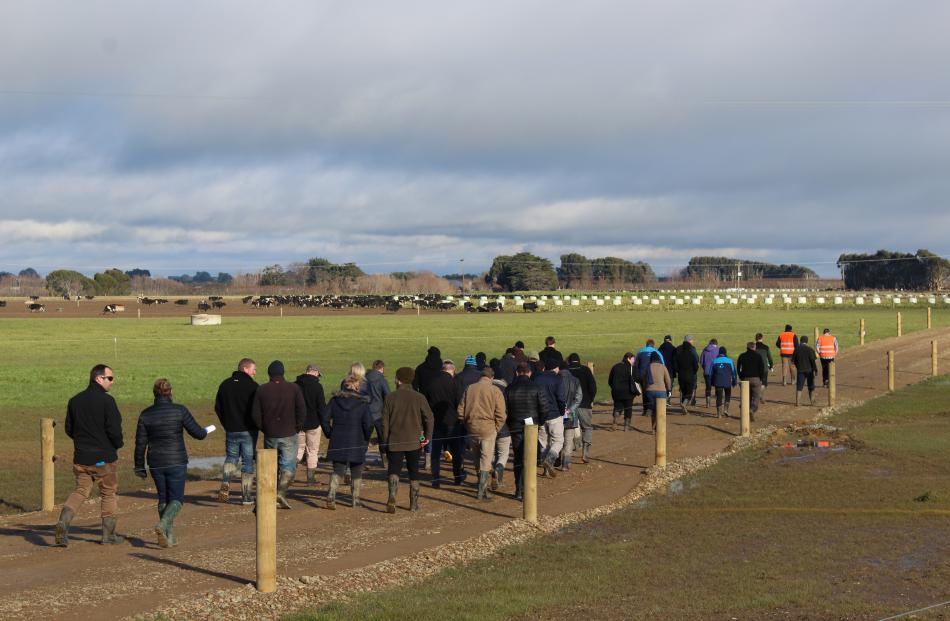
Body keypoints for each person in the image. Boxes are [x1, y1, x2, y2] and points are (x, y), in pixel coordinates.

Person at [56, 364, 125, 546]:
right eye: (109, 378)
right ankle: (108, 535)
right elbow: (115, 430)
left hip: (81, 457)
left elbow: (69, 429)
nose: (112, 381)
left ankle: (63, 524)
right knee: (108, 493)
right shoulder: (107, 401)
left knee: (80, 491)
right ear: (98, 378)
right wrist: (117, 445)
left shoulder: (75, 400)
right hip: (103, 458)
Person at [134, 379, 208, 547]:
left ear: (154, 393)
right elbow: (198, 433)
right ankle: (163, 525)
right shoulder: (179, 410)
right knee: (176, 500)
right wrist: (205, 431)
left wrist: (139, 465)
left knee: (163, 498)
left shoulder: (146, 414)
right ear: (170, 392)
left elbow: (140, 443)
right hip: (176, 461)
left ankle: (169, 536)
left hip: (155, 462)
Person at [251, 360, 306, 509]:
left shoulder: (261, 390)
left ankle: (269, 496)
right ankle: (281, 493)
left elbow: (255, 414)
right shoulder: (294, 388)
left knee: (270, 465)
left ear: (269, 374)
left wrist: (264, 428)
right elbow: (302, 409)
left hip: (270, 434)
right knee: (288, 465)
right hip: (289, 432)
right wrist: (298, 426)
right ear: (283, 373)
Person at [383, 367, 434, 513]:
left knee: (394, 470)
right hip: (414, 441)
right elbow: (429, 418)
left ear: (398, 380)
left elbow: (384, 423)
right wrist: (428, 438)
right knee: (414, 471)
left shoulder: (390, 397)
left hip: (395, 441)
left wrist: (386, 441)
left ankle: (392, 495)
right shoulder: (419, 397)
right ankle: (413, 504)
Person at [322, 374, 373, 509]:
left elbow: (324, 419)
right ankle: (355, 499)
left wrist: (330, 434)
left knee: (338, 469)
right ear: (357, 386)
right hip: (357, 439)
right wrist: (366, 438)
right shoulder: (362, 403)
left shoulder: (334, 401)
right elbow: (368, 424)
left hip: (337, 439)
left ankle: (331, 494)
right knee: (356, 469)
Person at [457, 368, 507, 500]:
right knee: (486, 458)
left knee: (476, 456)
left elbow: (460, 410)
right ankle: (481, 490)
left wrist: (467, 424)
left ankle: (481, 485)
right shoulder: (495, 390)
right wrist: (496, 428)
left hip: (472, 428)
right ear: (491, 377)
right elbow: (501, 414)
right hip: (488, 429)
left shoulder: (470, 388)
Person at [214, 358, 259, 504]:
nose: (255, 372)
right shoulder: (253, 386)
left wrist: (226, 423)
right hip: (248, 430)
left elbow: (218, 408)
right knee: (248, 462)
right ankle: (246, 496)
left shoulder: (225, 384)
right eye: (254, 369)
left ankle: (226, 481)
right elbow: (257, 410)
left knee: (231, 457)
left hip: (231, 429)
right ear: (245, 369)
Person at [505, 362, 552, 500]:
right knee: (530, 458)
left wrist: (510, 423)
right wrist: (540, 422)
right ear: (530, 373)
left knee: (518, 458)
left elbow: (504, 409)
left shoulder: (509, 388)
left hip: (515, 426)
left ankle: (519, 489)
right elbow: (544, 407)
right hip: (532, 426)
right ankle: (528, 489)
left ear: (517, 373)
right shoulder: (536, 387)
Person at [425, 361, 464, 488]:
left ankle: (435, 479)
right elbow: (459, 402)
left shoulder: (431, 382)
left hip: (437, 421)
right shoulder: (455, 383)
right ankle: (457, 477)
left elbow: (427, 402)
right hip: (453, 422)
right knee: (456, 451)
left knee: (436, 452)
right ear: (452, 370)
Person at [533, 357, 567, 477]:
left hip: (540, 416)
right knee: (558, 440)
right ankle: (550, 460)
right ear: (556, 368)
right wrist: (562, 411)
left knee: (543, 443)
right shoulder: (557, 379)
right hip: (554, 414)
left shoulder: (536, 378)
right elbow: (561, 398)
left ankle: (545, 470)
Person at [294, 363, 326, 486]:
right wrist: (325, 424)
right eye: (318, 374)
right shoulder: (317, 387)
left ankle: (289, 476)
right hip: (314, 424)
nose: (318, 376)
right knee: (312, 451)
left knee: (298, 450)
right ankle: (311, 479)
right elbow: (321, 407)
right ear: (314, 372)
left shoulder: (295, 385)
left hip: (298, 424)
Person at [566, 353, 597, 463]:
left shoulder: (566, 370)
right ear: (579, 360)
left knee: (568, 429)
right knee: (587, 428)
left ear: (569, 361)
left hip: (569, 407)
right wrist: (590, 400)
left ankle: (566, 458)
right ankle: (585, 453)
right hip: (585, 405)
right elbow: (593, 387)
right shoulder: (586, 370)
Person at [364, 360, 391, 467]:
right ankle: (385, 460)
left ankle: (361, 460)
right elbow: (388, 395)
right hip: (379, 413)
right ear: (381, 368)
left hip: (366, 412)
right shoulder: (381, 379)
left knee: (365, 437)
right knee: (382, 437)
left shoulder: (365, 378)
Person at [558, 365, 582, 471]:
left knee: (557, 439)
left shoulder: (556, 379)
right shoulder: (575, 380)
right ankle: (566, 463)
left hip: (558, 414)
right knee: (568, 439)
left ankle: (557, 459)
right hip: (571, 415)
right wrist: (570, 410)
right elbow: (579, 398)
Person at [642, 352, 672, 432]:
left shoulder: (648, 367)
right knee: (661, 411)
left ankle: (653, 427)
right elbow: (668, 379)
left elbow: (644, 380)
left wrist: (646, 389)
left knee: (654, 411)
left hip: (650, 391)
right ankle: (660, 429)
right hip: (661, 391)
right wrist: (669, 389)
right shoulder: (663, 367)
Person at [737, 342, 767, 420]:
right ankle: (752, 409)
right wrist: (761, 378)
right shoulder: (758, 356)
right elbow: (762, 368)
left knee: (746, 397)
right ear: (754, 347)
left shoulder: (742, 356)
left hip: (745, 379)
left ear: (747, 347)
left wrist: (741, 376)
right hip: (755, 379)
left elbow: (738, 367)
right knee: (756, 397)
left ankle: (744, 411)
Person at [608, 352, 637, 431]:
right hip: (628, 392)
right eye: (633, 359)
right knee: (628, 408)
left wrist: (614, 387)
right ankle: (626, 426)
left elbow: (610, 380)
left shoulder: (615, 367)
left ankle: (615, 422)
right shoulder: (631, 368)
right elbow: (637, 378)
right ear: (628, 358)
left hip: (616, 392)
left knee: (617, 407)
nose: (634, 361)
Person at [674, 335, 700, 414]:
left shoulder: (678, 349)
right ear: (690, 341)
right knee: (689, 392)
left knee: (683, 390)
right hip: (690, 374)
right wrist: (694, 371)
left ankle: (683, 409)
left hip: (681, 375)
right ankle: (684, 404)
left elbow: (675, 362)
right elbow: (696, 362)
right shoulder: (692, 350)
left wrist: (678, 371)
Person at [710, 347, 737, 418]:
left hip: (718, 382)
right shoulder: (730, 361)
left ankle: (719, 414)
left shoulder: (714, 361)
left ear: (719, 353)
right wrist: (734, 381)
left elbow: (711, 374)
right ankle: (726, 410)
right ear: (725, 352)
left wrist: (712, 382)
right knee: (727, 395)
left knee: (718, 397)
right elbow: (734, 372)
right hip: (727, 382)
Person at [792, 335, 818, 405]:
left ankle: (797, 402)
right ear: (807, 341)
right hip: (809, 370)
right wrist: (815, 369)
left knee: (799, 387)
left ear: (800, 341)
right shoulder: (810, 349)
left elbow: (793, 361)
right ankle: (812, 402)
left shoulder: (796, 349)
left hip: (800, 370)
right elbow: (813, 361)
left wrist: (798, 366)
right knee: (811, 386)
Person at [699, 339, 720, 408]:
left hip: (707, 371)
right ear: (716, 343)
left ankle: (708, 403)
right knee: (717, 386)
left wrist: (705, 368)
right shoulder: (718, 350)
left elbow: (701, 361)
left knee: (708, 387)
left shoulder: (705, 350)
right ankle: (718, 402)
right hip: (716, 372)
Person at [754, 333, 774, 403]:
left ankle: (756, 396)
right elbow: (770, 358)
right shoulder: (766, 347)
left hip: (755, 368)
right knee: (763, 383)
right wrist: (771, 366)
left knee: (756, 382)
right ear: (762, 338)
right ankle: (760, 396)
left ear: (755, 338)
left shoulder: (753, 347)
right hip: (764, 368)